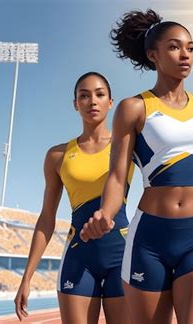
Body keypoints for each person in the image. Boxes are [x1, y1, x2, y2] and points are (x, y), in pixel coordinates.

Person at [79, 9, 193, 324]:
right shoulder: (133, 108)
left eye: (191, 48)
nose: (186, 55)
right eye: (175, 47)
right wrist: (106, 213)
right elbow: (116, 176)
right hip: (149, 238)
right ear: (153, 54)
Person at [14, 72, 133, 323]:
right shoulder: (57, 156)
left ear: (110, 102)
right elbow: (46, 219)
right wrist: (26, 278)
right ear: (75, 104)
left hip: (122, 255)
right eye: (84, 95)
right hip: (79, 257)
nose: (92, 101)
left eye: (100, 94)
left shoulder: (128, 145)